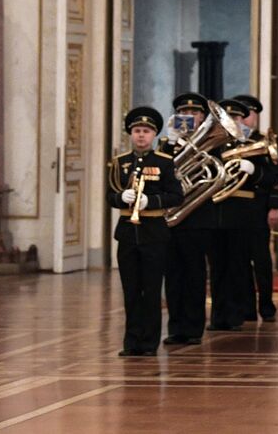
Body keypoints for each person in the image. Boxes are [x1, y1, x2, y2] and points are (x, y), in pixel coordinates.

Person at [107, 106, 183, 357]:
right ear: (131, 133)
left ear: (154, 135)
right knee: (130, 291)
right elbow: (110, 194)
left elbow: (176, 195)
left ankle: (149, 342)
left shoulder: (164, 162)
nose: (141, 136)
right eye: (137, 131)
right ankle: (131, 342)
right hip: (128, 233)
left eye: (146, 131)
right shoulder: (120, 162)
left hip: (154, 233)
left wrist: (151, 202)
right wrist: (121, 197)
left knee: (151, 290)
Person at [162, 92, 217, 347]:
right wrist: (171, 147)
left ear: (203, 118)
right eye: (185, 113)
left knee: (195, 274)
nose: (190, 117)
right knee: (173, 275)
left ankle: (194, 327)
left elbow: (217, 173)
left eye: (195, 113)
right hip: (172, 219)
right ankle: (176, 327)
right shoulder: (166, 145)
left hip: (198, 217)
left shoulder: (212, 144)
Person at [208, 98, 265, 332]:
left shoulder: (253, 144)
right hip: (216, 211)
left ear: (243, 120)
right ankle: (218, 316)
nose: (234, 122)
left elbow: (271, 176)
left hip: (242, 212)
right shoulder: (213, 145)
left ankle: (235, 315)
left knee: (238, 265)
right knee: (217, 267)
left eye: (238, 118)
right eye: (228, 119)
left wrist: (254, 171)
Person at [232, 94, 278, 323]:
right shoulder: (228, 142)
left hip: (258, 207)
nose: (244, 119)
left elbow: (277, 177)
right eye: (240, 115)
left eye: (249, 114)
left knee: (261, 260)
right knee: (239, 260)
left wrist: (274, 206)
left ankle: (267, 305)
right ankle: (246, 307)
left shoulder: (265, 140)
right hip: (234, 207)